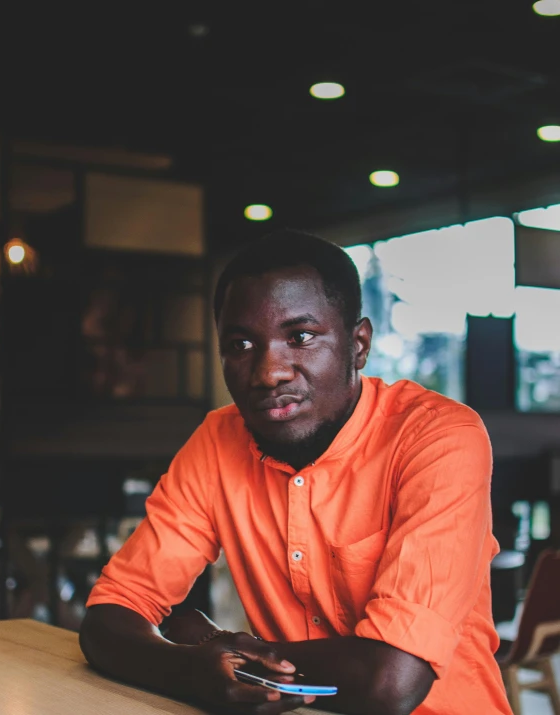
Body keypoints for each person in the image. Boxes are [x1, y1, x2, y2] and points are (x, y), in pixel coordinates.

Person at [80, 230, 512, 715]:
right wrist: (189, 667)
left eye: (301, 338)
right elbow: (110, 616)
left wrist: (218, 653)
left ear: (359, 344)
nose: (269, 372)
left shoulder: (437, 436)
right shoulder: (218, 439)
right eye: (242, 344)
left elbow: (391, 681)